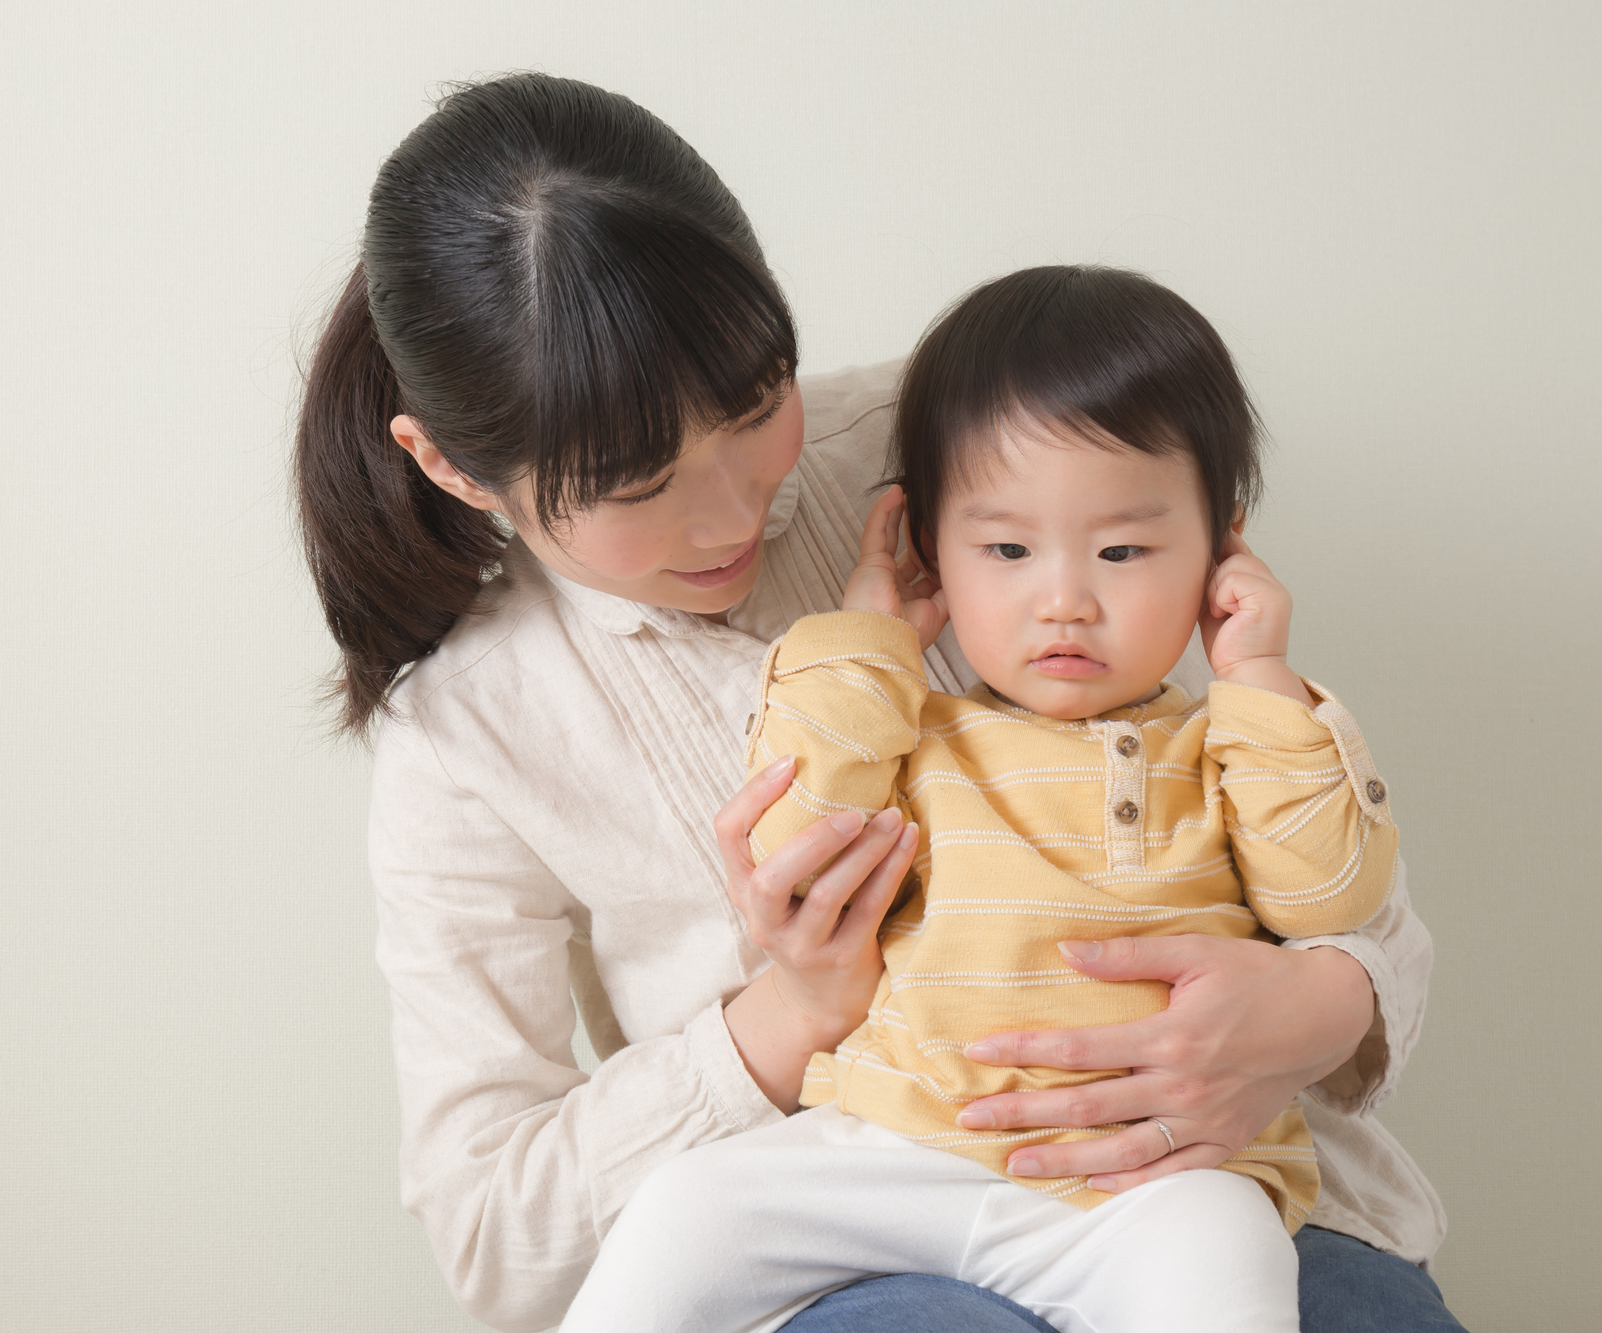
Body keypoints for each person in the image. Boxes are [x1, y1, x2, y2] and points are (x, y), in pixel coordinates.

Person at [294, 72, 1459, 1333]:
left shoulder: (963, 436)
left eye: (755, 409)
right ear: (453, 465)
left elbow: (1304, 843)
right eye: (635, 485)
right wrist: (790, 1016)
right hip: (848, 1219)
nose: (736, 511)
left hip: (1177, 1172)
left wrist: (1319, 1000)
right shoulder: (469, 731)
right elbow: (492, 1235)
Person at [560, 266, 1404, 1333]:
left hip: (1139, 1181)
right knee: (683, 1208)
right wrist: (871, 640)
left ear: (1219, 547)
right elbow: (794, 837)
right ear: (930, 551)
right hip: (894, 1144)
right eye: (1005, 550)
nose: (1063, 598)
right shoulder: (914, 729)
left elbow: (1327, 891)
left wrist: (1259, 678)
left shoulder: (1224, 741)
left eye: (1123, 551)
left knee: (1227, 1257)